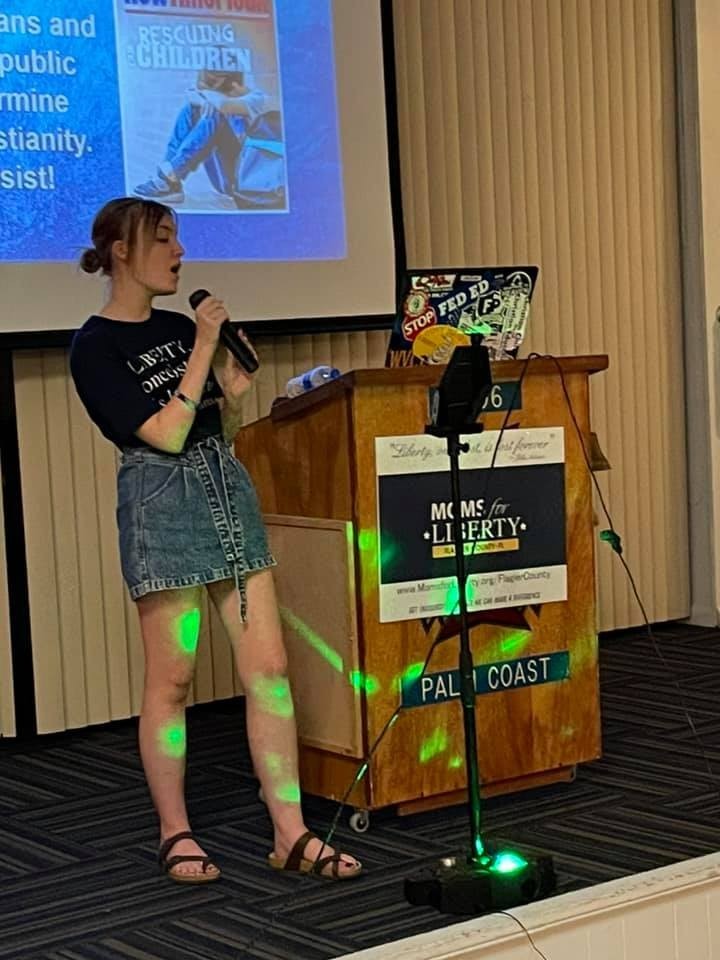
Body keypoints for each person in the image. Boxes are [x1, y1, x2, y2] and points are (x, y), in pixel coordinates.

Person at [70, 196, 361, 884]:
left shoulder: (176, 326)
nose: (178, 252)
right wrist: (205, 346)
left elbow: (211, 429)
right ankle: (175, 832)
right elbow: (164, 435)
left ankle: (289, 830)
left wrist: (233, 390)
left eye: (177, 237)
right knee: (172, 679)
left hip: (225, 487)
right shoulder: (95, 345)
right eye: (163, 239)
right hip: (161, 502)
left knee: (269, 669)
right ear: (120, 251)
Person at [134, 69, 271, 205]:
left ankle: (171, 174)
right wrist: (201, 98)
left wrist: (204, 97)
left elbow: (224, 106)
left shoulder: (258, 98)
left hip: (243, 178)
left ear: (233, 84)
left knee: (214, 113)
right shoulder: (220, 97)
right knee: (191, 109)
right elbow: (194, 96)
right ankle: (169, 182)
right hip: (222, 175)